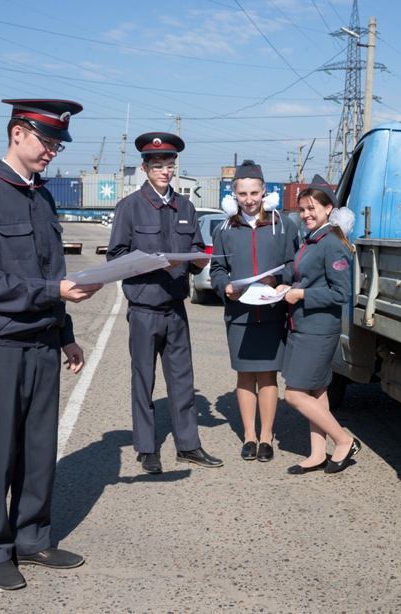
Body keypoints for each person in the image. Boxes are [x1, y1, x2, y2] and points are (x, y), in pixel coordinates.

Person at [0, 99, 103, 590]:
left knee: (40, 449)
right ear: (18, 133)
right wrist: (53, 293)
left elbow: (50, 272)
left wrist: (66, 336)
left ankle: (32, 538)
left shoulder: (43, 199)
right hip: (2, 346)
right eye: (47, 142)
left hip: (43, 343)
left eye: (58, 145)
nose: (52, 153)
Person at [106, 132, 223, 475]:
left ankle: (188, 445)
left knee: (183, 380)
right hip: (143, 308)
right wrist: (155, 262)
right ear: (145, 168)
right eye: (157, 166)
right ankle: (146, 448)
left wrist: (199, 260)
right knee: (144, 380)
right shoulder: (129, 207)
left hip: (175, 307)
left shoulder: (185, 207)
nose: (165, 171)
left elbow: (197, 247)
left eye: (170, 165)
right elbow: (116, 257)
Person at [209, 160, 299, 462]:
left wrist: (278, 279)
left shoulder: (284, 225)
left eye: (254, 193)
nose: (249, 199)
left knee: (268, 376)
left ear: (265, 192)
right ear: (234, 195)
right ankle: (249, 436)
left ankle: (266, 437)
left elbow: (294, 265)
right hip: (239, 314)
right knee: (245, 376)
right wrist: (225, 287)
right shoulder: (224, 228)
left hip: (271, 313)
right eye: (242, 194)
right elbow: (218, 268)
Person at [275, 175, 361, 475]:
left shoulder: (332, 243)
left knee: (294, 394)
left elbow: (342, 293)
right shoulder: (313, 240)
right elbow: (308, 278)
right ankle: (316, 454)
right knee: (316, 392)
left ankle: (343, 440)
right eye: (302, 209)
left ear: (328, 209)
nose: (306, 214)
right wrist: (287, 288)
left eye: (312, 208)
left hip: (318, 329)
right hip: (302, 324)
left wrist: (301, 293)